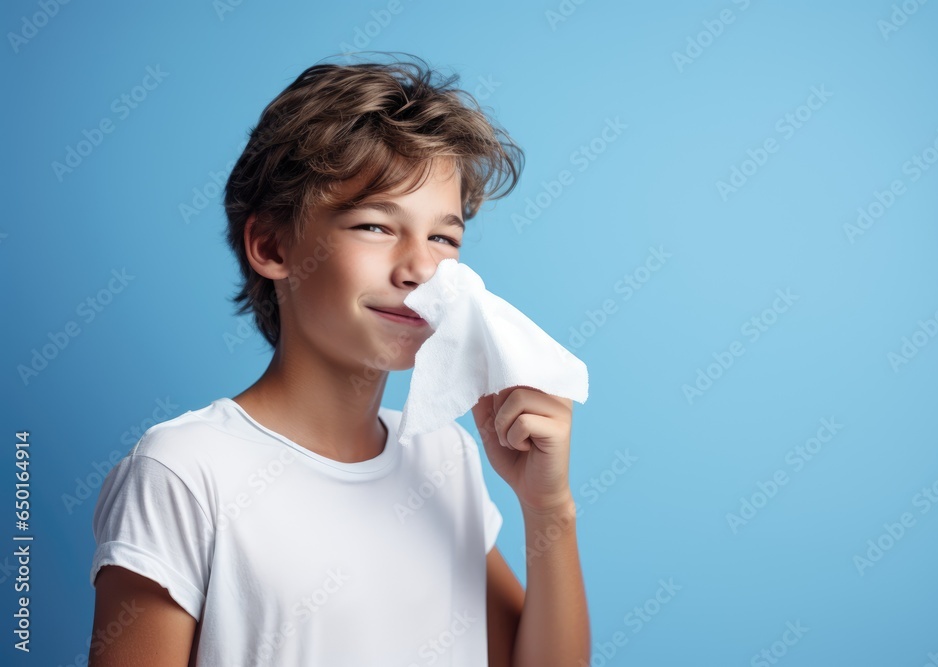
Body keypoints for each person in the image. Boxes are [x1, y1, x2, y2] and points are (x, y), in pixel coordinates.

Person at [88, 53, 590, 665]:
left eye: (443, 238)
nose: (420, 270)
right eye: (376, 226)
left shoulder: (444, 455)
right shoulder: (185, 471)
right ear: (271, 246)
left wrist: (547, 507)